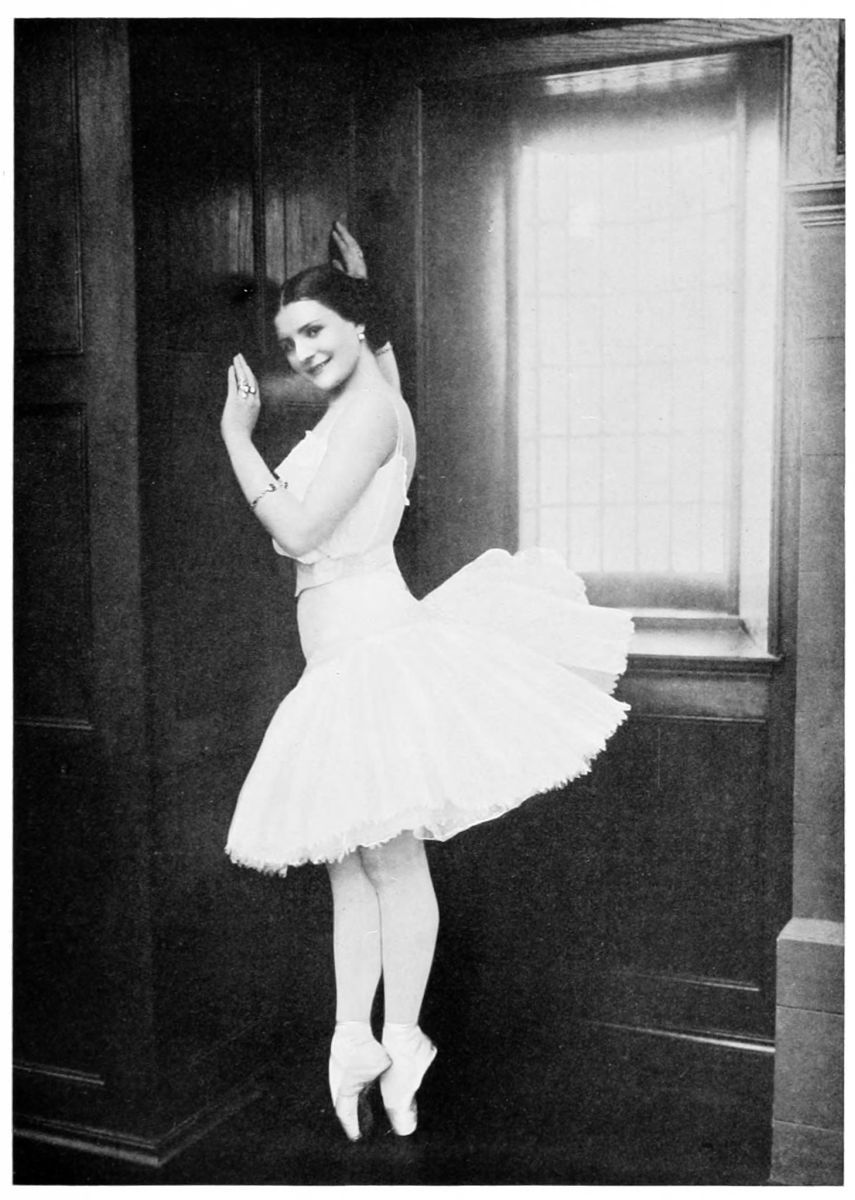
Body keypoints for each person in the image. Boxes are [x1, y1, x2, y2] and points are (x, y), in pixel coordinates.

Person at [220, 221, 633, 1144]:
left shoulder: (367, 415)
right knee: (353, 861)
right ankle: (356, 1040)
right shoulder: (378, 401)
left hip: (371, 650)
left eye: (316, 331)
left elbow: (299, 531)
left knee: (388, 861)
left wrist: (236, 439)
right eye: (288, 342)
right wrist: (369, 297)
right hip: (341, 659)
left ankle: (399, 1037)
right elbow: (384, 383)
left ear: (353, 327)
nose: (301, 353)